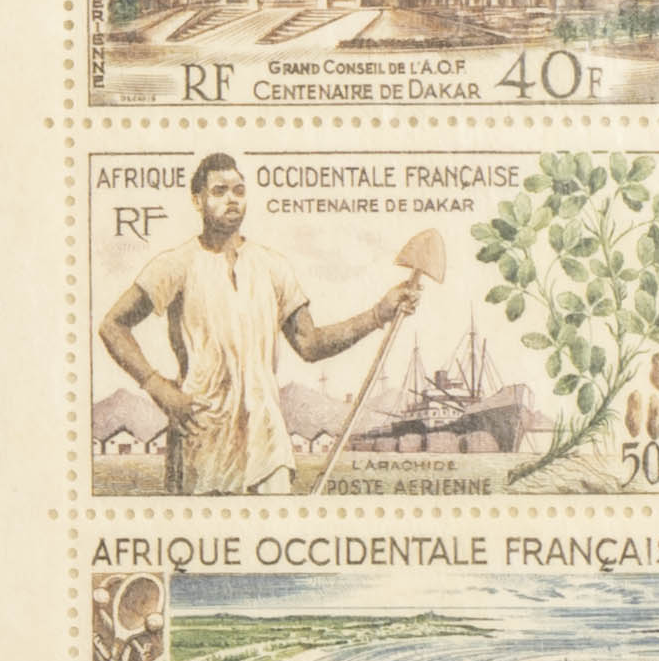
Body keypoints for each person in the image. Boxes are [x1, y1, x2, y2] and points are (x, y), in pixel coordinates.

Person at [98, 151, 424, 494]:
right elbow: (112, 325)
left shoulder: (273, 267)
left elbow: (310, 344)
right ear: (197, 200)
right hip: (201, 437)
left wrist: (378, 314)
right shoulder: (176, 264)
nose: (232, 199)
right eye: (220, 191)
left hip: (267, 446)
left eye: (239, 191)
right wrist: (158, 387)